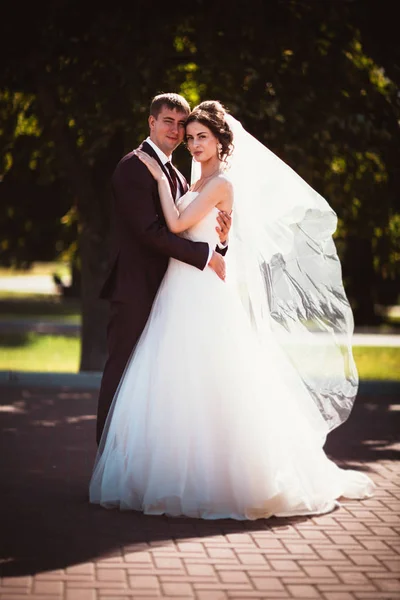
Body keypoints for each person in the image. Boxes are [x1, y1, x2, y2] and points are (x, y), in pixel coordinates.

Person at [89, 100, 375, 520]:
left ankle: (208, 473)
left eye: (195, 133)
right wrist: (211, 250)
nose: (187, 140)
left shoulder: (201, 178)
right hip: (158, 286)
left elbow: (186, 227)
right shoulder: (143, 167)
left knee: (205, 374)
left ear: (220, 140)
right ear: (152, 123)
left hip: (190, 289)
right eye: (183, 133)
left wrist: (216, 247)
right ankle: (122, 465)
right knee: (144, 376)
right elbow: (161, 231)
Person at [95, 93, 232, 445]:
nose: (175, 130)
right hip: (136, 288)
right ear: (151, 122)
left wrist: (221, 243)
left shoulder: (179, 174)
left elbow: (193, 226)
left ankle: (140, 460)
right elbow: (148, 233)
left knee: (154, 382)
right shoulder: (133, 166)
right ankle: (107, 459)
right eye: (167, 121)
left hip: (171, 292)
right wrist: (205, 257)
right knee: (122, 373)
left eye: (181, 124)